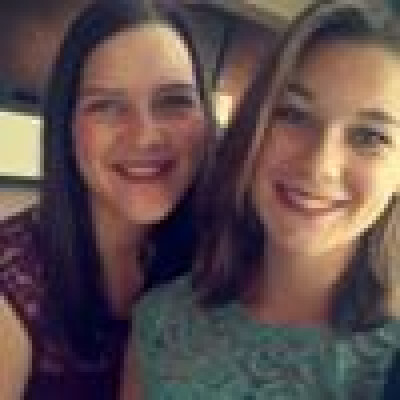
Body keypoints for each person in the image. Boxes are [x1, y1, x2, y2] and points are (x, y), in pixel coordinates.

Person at [124, 1, 400, 399]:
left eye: (370, 136)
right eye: (294, 114)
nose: (319, 165)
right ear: (254, 126)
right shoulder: (161, 322)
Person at [0, 0, 215, 399]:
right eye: (107, 106)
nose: (145, 136)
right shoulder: (12, 281)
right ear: (66, 126)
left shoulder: (221, 256)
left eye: (174, 101)